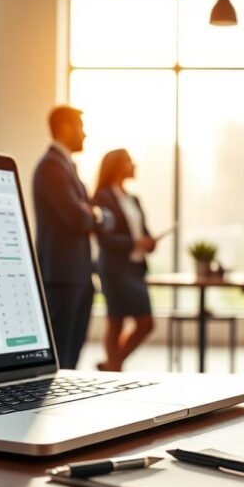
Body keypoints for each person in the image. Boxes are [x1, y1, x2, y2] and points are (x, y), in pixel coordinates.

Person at [32, 106, 112, 370]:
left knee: (72, 357)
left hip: (78, 274)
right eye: (80, 126)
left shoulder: (66, 166)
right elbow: (76, 217)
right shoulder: (51, 167)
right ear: (65, 128)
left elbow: (92, 216)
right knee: (62, 359)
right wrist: (94, 214)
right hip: (62, 276)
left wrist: (92, 213)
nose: (85, 134)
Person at [91, 149, 157, 372]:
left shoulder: (133, 199)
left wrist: (149, 242)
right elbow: (104, 237)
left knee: (146, 323)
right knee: (116, 320)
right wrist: (135, 243)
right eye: (129, 161)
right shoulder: (102, 197)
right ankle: (114, 368)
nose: (134, 164)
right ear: (117, 165)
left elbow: (142, 231)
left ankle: (112, 365)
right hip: (115, 268)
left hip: (136, 268)